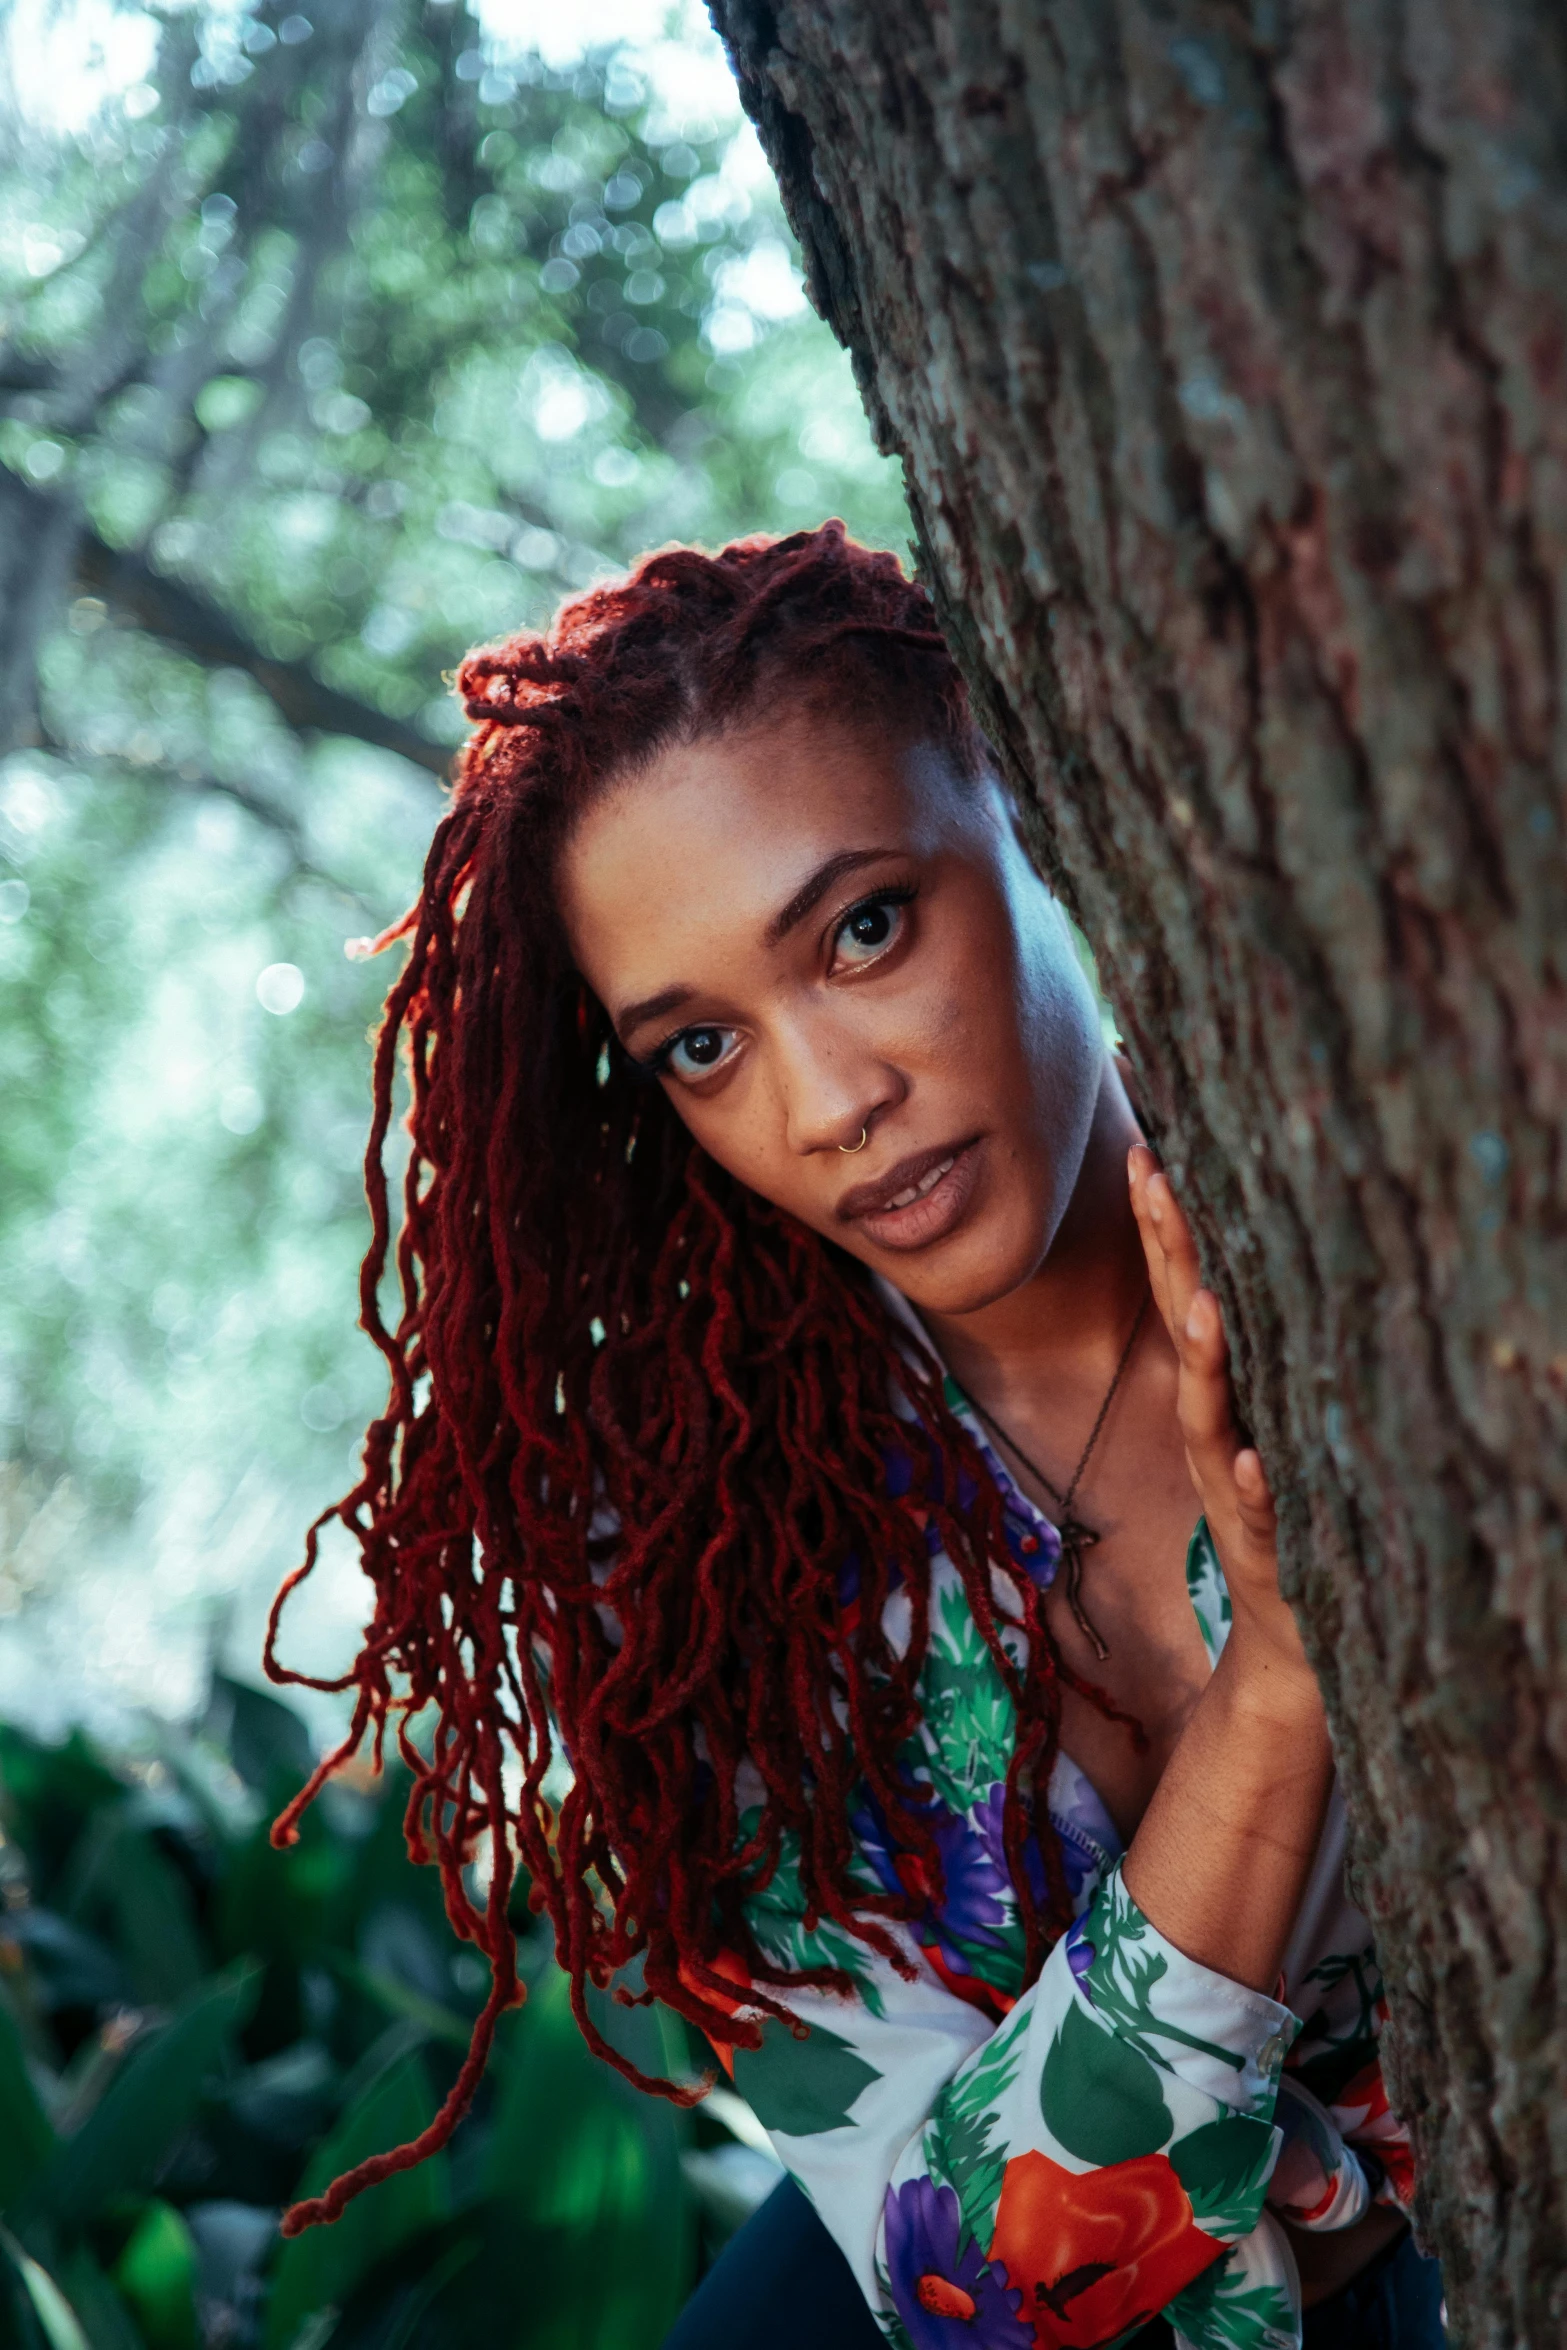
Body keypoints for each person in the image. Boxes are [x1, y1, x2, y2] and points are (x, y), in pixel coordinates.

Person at [266, 523, 1444, 2348]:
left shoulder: (1394, 1217)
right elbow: (962, 2281)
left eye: (864, 928)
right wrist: (1282, 1680)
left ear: (1038, 808)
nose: (831, 1104)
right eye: (701, 1047)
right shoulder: (690, 1555)